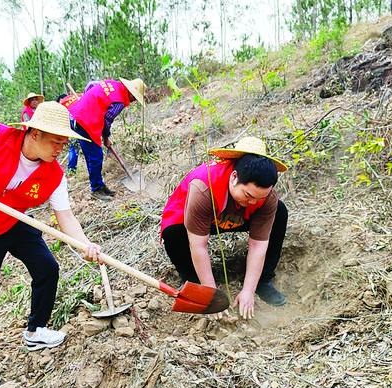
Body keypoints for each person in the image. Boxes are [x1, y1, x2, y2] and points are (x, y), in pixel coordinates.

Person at [0, 101, 102, 388]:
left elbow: (65, 216)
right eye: (56, 142)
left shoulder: (55, 176)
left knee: (47, 268)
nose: (60, 149)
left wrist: (86, 245)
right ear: (35, 134)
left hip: (14, 221)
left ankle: (35, 331)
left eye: (64, 143)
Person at [160, 137, 288, 320]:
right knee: (172, 231)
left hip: (234, 219)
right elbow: (198, 245)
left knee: (280, 211)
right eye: (248, 195)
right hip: (197, 222)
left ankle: (262, 281)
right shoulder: (204, 187)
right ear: (234, 177)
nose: (253, 202)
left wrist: (248, 290)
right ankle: (192, 279)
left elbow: (258, 245)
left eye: (259, 199)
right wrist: (212, 293)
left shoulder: (266, 198)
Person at [66, 78, 146, 201]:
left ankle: (99, 185)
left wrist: (87, 102)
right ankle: (96, 189)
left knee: (93, 155)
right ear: (130, 92)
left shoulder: (112, 84)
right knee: (95, 156)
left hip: (78, 115)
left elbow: (91, 85)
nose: (134, 100)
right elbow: (107, 120)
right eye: (135, 97)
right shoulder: (119, 101)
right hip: (84, 121)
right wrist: (106, 138)